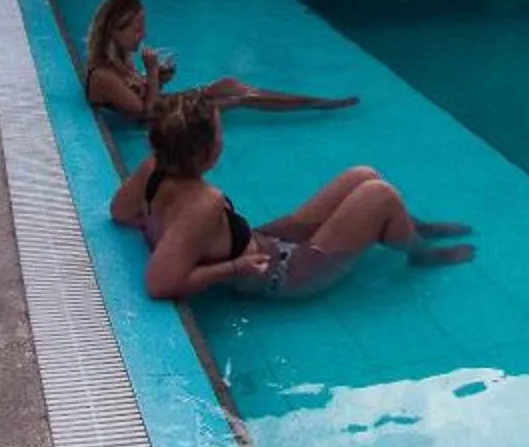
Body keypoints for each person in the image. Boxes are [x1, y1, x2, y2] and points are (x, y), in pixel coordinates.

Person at [109, 95, 470, 301]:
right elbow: (159, 284)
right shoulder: (204, 203)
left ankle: (409, 228)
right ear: (208, 152)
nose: (224, 138)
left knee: (364, 175)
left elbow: (120, 213)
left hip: (266, 240)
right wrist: (233, 267)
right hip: (286, 274)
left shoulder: (153, 167)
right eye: (220, 133)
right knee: (381, 195)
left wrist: (162, 226)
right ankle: (419, 253)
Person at [83, 0, 356, 121]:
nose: (143, 35)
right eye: (136, 29)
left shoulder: (121, 57)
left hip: (170, 104)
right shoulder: (103, 76)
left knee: (228, 83)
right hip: (167, 117)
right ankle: (313, 107)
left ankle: (309, 100)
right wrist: (153, 73)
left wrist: (160, 78)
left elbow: (146, 94)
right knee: (241, 99)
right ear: (114, 31)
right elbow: (146, 115)